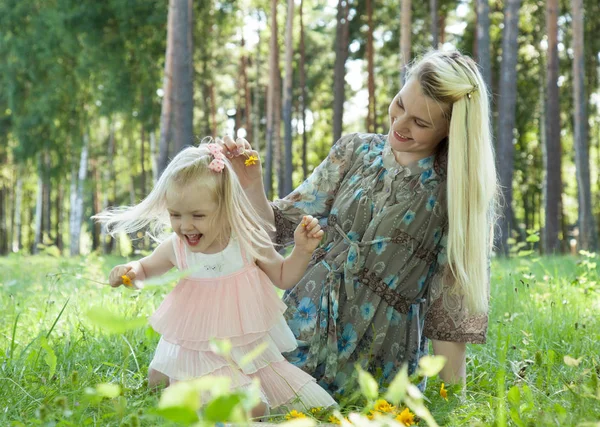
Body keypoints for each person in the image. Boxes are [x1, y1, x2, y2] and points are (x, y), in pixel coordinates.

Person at [220, 50, 498, 396]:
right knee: (234, 398)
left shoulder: (454, 194)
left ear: (452, 129)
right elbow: (278, 231)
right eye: (400, 104)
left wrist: (450, 398)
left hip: (377, 356)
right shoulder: (354, 150)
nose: (399, 124)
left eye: (420, 122)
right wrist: (251, 184)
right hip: (301, 325)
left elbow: (450, 312)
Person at [94, 142, 336, 416]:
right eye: (175, 215)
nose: (185, 226)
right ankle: (193, 388)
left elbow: (283, 276)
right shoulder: (178, 246)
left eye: (198, 215)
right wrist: (130, 271)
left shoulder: (247, 240)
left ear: (225, 207)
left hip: (242, 347)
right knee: (169, 384)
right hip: (196, 346)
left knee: (305, 407)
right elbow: (146, 269)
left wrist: (302, 250)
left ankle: (215, 392)